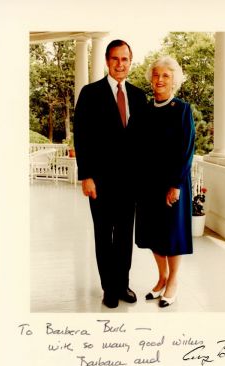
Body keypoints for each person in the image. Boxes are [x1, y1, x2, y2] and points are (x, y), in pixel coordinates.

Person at [74, 40, 147, 309]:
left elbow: (144, 141)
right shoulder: (90, 93)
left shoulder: (139, 97)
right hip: (101, 181)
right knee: (104, 234)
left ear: (130, 61)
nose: (120, 64)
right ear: (107, 61)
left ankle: (122, 283)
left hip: (130, 182)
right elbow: (82, 137)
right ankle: (108, 287)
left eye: (125, 59)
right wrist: (87, 176)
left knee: (125, 235)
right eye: (115, 59)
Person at [135, 56, 195, 308]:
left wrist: (176, 185)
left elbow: (187, 149)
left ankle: (174, 282)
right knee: (152, 234)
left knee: (171, 234)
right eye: (156, 75)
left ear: (174, 81)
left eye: (165, 76)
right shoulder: (146, 110)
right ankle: (162, 278)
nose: (159, 80)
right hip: (148, 183)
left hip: (173, 182)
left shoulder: (182, 109)